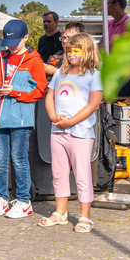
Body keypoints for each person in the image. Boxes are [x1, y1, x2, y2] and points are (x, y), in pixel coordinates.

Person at [39, 33, 103, 233]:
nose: (72, 55)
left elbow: (93, 105)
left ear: (88, 52)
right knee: (58, 174)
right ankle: (61, 212)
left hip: (81, 133)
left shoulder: (94, 75)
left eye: (77, 51)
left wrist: (72, 121)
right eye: (69, 51)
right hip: (57, 131)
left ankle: (85, 216)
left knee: (82, 175)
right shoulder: (60, 73)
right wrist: (52, 116)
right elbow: (50, 96)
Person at [0, 19, 47, 219]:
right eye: (8, 42)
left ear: (26, 38)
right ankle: (2, 198)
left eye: (15, 42)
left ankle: (23, 201)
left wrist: (15, 92)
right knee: (0, 161)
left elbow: (39, 90)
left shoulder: (34, 60)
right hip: (0, 116)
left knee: (19, 160)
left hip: (20, 119)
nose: (10, 46)